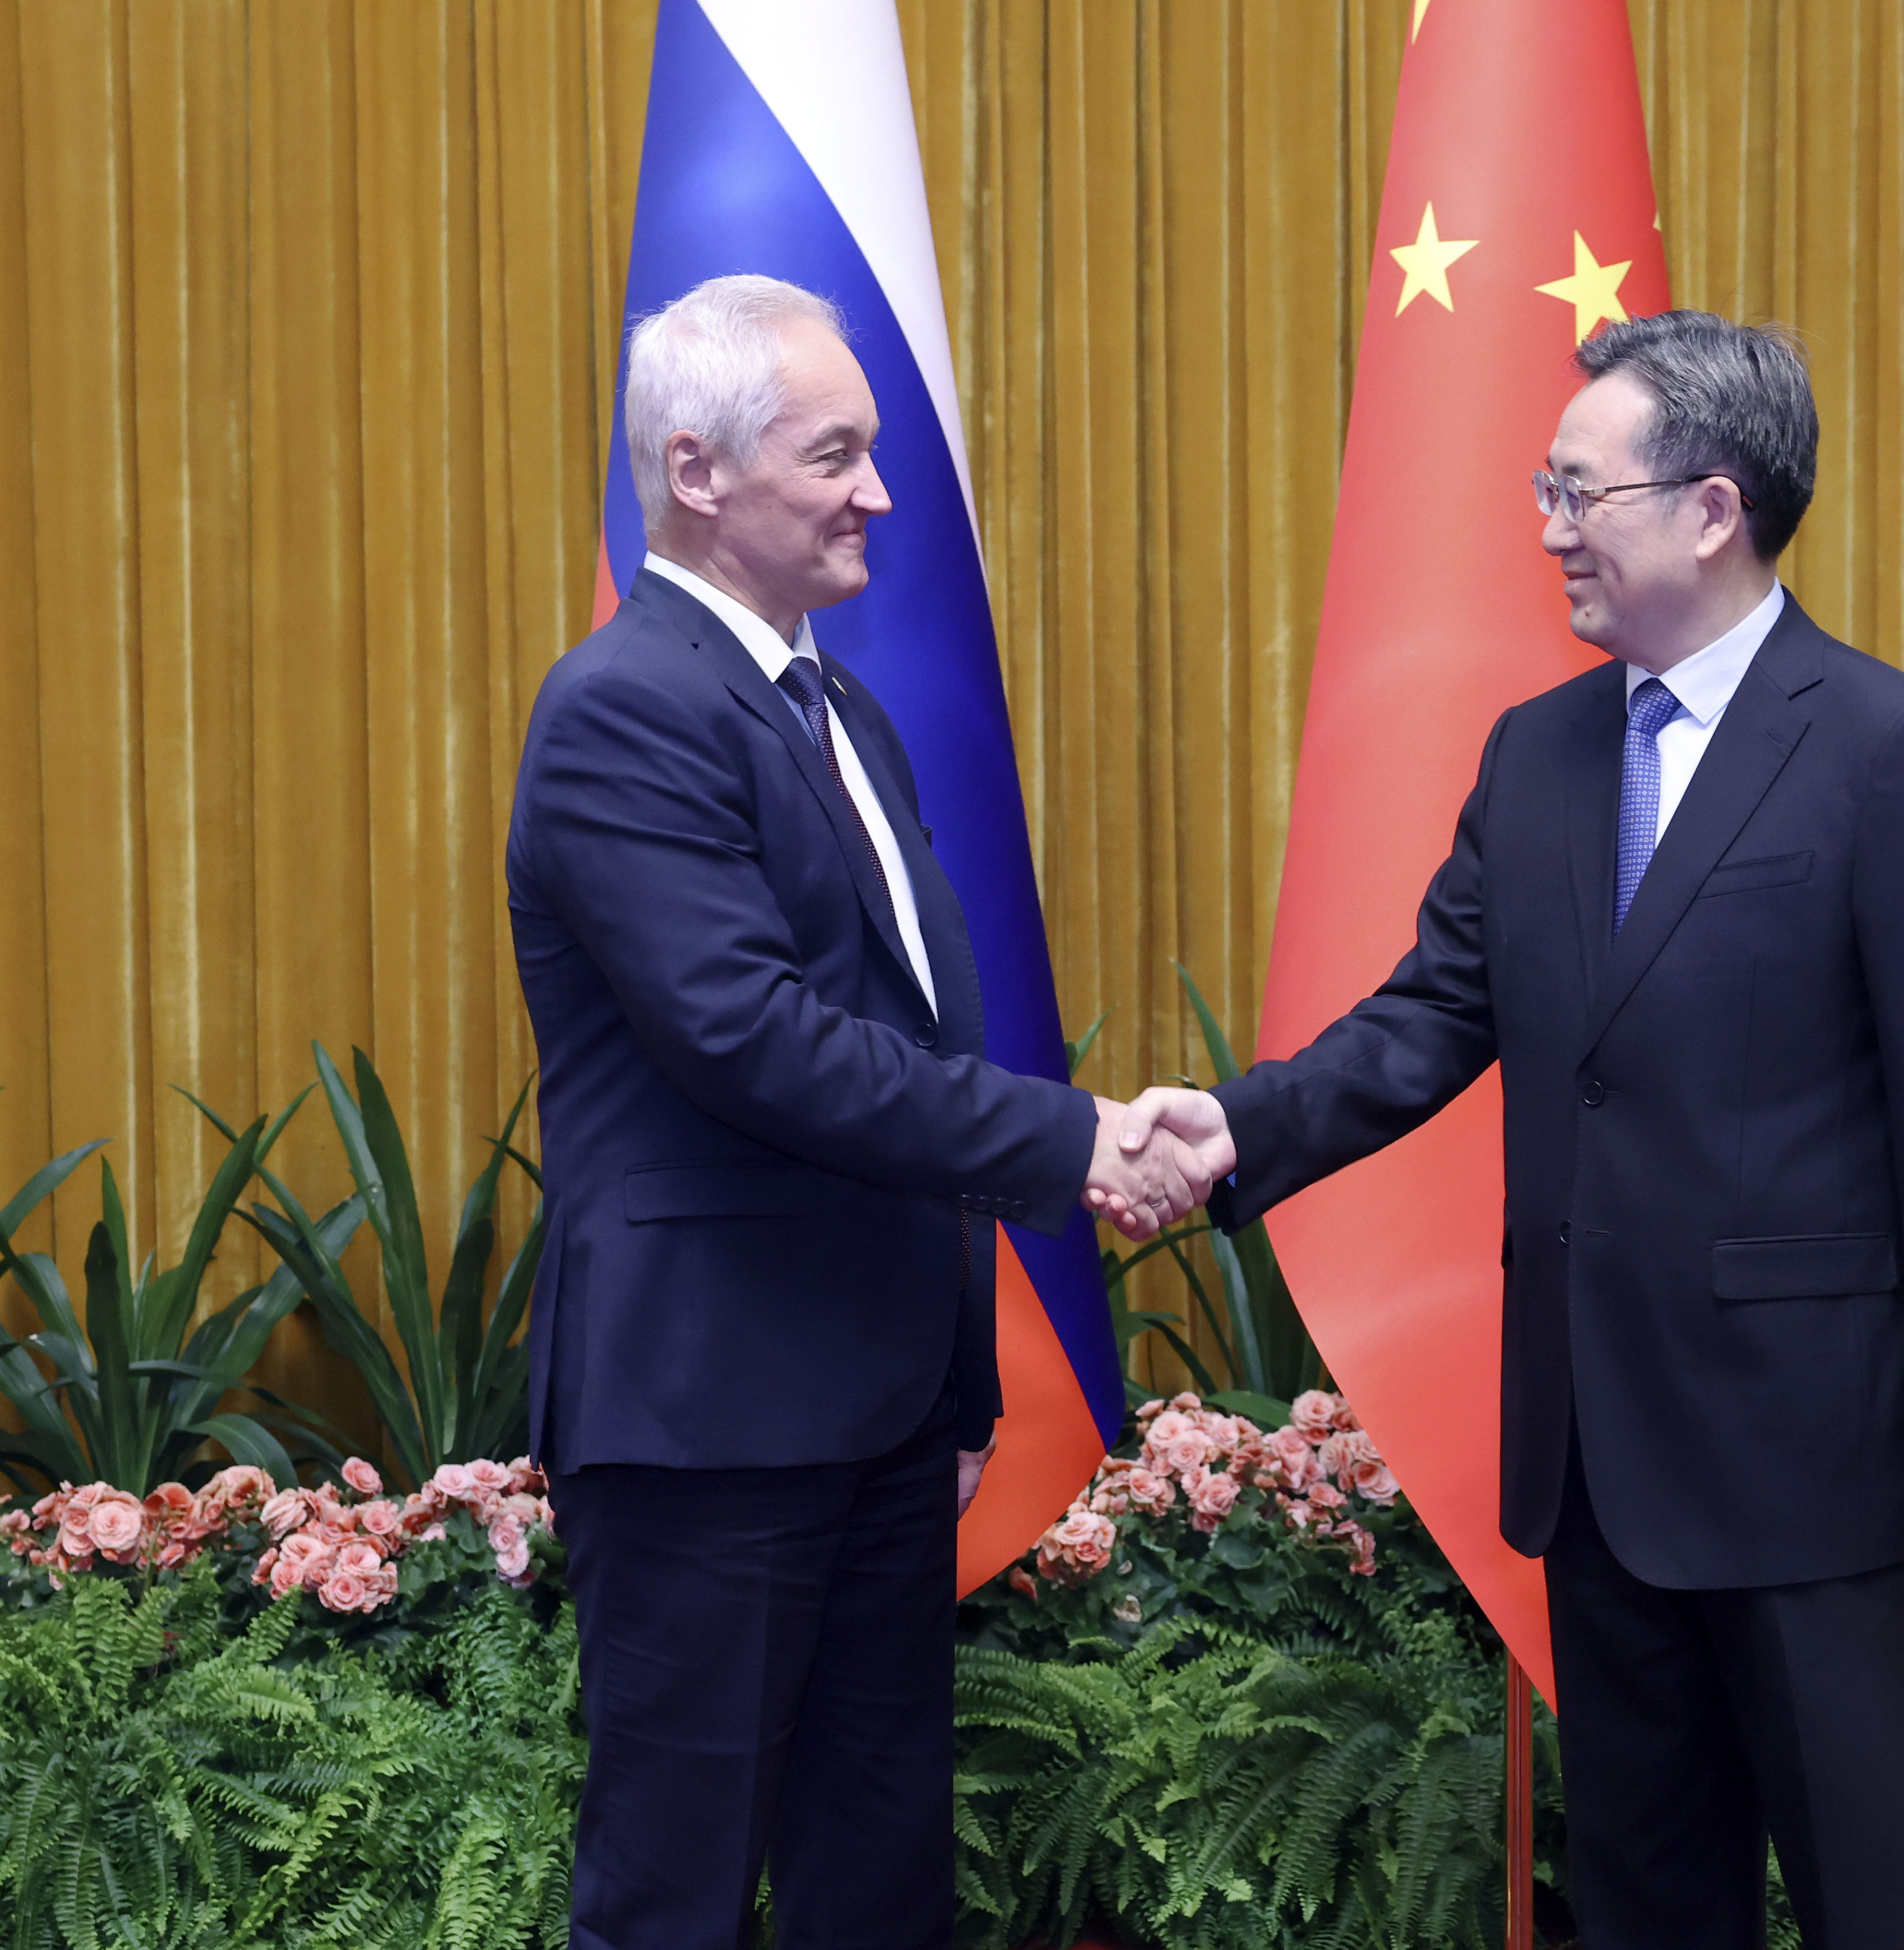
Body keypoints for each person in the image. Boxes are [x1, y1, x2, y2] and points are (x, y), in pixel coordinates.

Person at [1116, 311, 1904, 1949]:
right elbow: (1428, 1016)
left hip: (1814, 1461)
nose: (1546, 527)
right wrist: (1230, 1129)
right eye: (1541, 491)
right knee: (1644, 1903)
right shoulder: (1541, 753)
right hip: (1601, 1455)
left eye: (1578, 492)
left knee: (1879, 1902)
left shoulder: (1887, 753)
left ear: (1710, 506)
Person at [505, 274, 1206, 1950]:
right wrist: (1074, 1141)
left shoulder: (844, 712)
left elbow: (910, 1031)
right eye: (837, 455)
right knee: (672, 1890)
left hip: (881, 1413)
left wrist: (960, 1378)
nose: (879, 493)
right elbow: (755, 1041)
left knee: (878, 1882)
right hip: (709, 1422)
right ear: (696, 470)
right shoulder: (624, 712)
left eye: (874, 454)